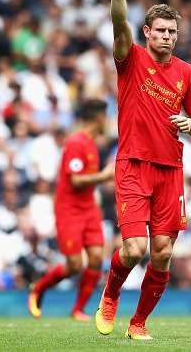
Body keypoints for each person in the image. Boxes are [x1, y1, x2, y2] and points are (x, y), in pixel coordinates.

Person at [95, 0, 191, 340]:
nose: (167, 37)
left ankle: (138, 323)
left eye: (172, 32)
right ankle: (110, 295)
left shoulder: (188, 73)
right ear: (147, 32)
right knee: (134, 250)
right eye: (160, 30)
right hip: (132, 164)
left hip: (170, 169)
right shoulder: (131, 59)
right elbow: (118, 17)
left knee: (162, 252)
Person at [28, 98, 114, 321]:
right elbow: (75, 180)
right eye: (106, 116)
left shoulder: (91, 143)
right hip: (70, 210)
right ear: (99, 117)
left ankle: (78, 310)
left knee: (96, 258)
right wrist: (104, 176)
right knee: (75, 265)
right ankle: (38, 288)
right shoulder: (77, 142)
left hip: (89, 209)